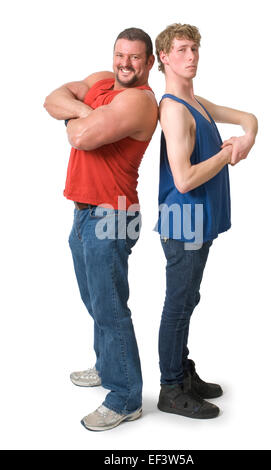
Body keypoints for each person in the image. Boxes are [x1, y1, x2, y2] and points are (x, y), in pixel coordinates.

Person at [44, 28, 158, 431]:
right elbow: (52, 98)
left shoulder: (140, 102)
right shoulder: (100, 82)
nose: (125, 64)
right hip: (84, 210)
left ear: (149, 63)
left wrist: (80, 114)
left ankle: (126, 395)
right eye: (120, 55)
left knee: (110, 308)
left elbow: (80, 135)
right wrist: (86, 111)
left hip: (112, 214)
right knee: (95, 299)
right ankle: (107, 363)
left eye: (135, 58)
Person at [155, 23, 258, 419]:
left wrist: (245, 138)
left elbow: (249, 117)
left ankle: (182, 372)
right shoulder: (175, 110)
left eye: (194, 48)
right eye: (181, 49)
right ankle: (170, 387)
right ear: (164, 57)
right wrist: (228, 152)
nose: (191, 56)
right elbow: (183, 179)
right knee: (178, 306)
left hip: (200, 222)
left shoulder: (196, 101)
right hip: (184, 224)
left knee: (188, 300)